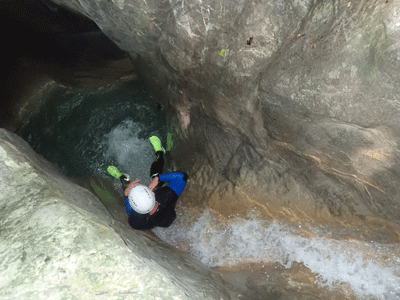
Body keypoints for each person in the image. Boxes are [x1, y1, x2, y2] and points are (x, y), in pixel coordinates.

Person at [107, 136, 187, 230]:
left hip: (156, 215)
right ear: (153, 193)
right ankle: (160, 152)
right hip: (165, 204)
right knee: (155, 175)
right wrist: (158, 178)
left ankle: (122, 177)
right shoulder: (167, 196)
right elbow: (182, 177)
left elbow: (129, 206)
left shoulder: (136, 222)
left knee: (127, 189)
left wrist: (126, 194)